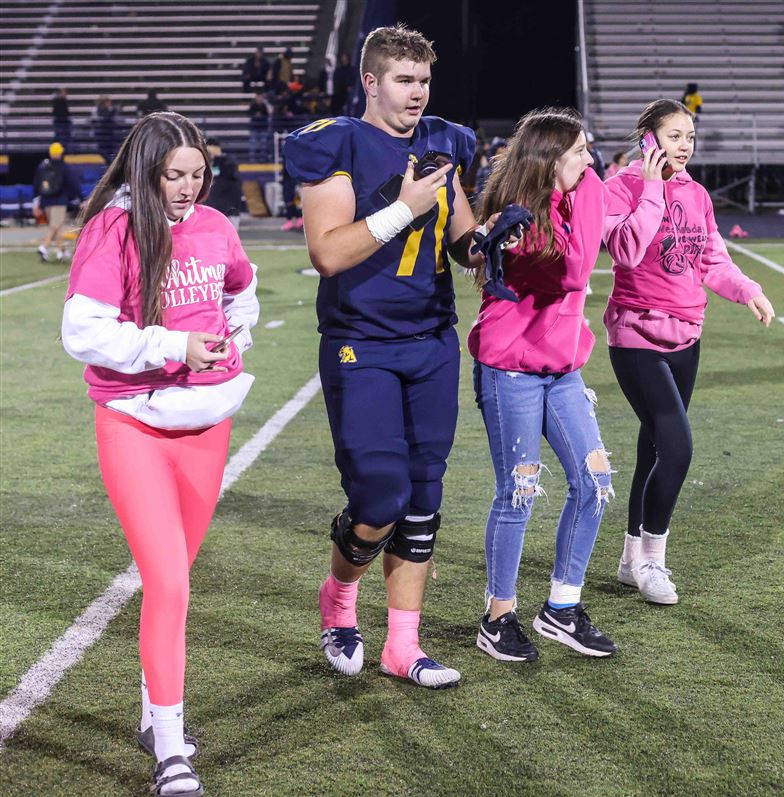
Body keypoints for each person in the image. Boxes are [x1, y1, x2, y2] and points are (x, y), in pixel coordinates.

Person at [60, 111, 259, 797]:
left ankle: (153, 714)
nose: (187, 187)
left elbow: (241, 291)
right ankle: (171, 746)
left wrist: (234, 336)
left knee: (174, 582)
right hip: (134, 422)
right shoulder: (112, 229)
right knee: (169, 582)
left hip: (208, 422)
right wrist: (173, 347)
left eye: (197, 174)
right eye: (173, 174)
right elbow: (82, 330)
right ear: (145, 169)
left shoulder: (217, 226)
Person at [283, 24, 487, 689]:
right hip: (359, 340)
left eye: (424, 80)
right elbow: (330, 251)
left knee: (424, 497)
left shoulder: (444, 142)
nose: (417, 93)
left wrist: (488, 246)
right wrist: (403, 208)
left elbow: (460, 235)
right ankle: (339, 597)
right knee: (380, 493)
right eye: (404, 80)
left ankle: (405, 643)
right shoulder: (335, 143)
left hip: (431, 339)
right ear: (370, 82)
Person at [603, 99, 775, 605]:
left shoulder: (698, 195)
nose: (685, 145)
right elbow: (627, 251)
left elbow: (712, 259)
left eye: (690, 137)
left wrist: (748, 290)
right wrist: (653, 189)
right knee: (678, 447)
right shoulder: (619, 189)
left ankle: (630, 556)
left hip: (687, 335)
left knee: (653, 447)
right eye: (675, 135)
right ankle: (654, 561)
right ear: (649, 139)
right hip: (636, 333)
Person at [467, 108, 617, 661]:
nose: (590, 159)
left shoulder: (584, 191)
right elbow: (576, 272)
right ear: (548, 159)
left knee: (594, 483)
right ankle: (497, 616)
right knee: (519, 492)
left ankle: (561, 607)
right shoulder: (518, 219)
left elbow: (594, 225)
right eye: (578, 151)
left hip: (563, 369)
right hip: (511, 367)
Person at [33, 141, 82, 262]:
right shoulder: (63, 167)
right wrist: (80, 197)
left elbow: (36, 185)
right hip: (60, 201)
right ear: (60, 153)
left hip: (46, 201)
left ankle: (61, 252)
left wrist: (36, 203)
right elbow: (73, 183)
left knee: (57, 227)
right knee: (55, 226)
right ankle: (44, 247)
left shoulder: (42, 166)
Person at [203, 137, 243, 229]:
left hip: (229, 207)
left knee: (230, 237)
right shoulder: (204, 163)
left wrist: (218, 157)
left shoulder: (227, 160)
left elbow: (233, 174)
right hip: (212, 207)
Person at [247, 92, 271, 161]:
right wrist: (255, 115)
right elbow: (249, 113)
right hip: (254, 127)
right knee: (253, 143)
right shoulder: (253, 105)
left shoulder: (264, 105)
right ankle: (252, 158)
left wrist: (261, 115)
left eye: (260, 97)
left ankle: (262, 158)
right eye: (258, 97)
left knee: (263, 144)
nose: (259, 98)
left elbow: (267, 115)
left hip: (263, 127)